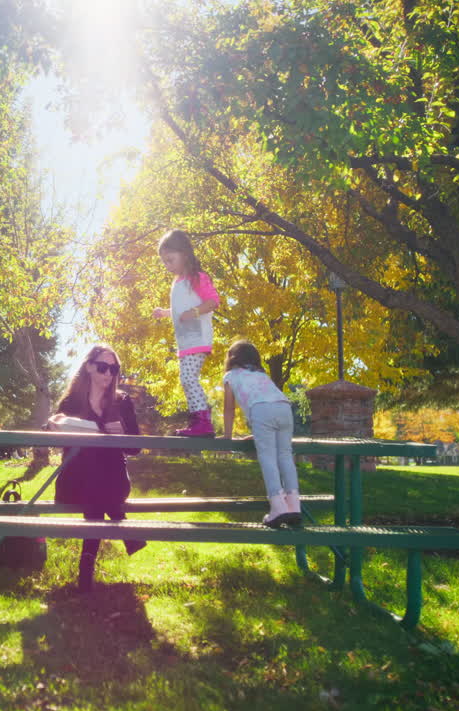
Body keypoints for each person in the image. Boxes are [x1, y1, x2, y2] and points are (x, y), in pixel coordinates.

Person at [48, 344, 147, 592]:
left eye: (114, 369)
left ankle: (86, 570)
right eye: (103, 367)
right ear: (89, 367)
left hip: (112, 481)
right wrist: (53, 424)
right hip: (76, 481)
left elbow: (135, 448)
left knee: (98, 488)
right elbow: (50, 430)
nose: (108, 374)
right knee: (94, 479)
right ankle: (124, 527)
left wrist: (124, 434)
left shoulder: (122, 402)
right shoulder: (72, 401)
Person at [221, 339, 302, 527]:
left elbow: (229, 410)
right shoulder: (262, 374)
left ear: (232, 359)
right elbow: (269, 401)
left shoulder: (230, 376)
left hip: (261, 411)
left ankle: (278, 507)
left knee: (267, 458)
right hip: (284, 407)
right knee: (284, 456)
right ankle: (293, 506)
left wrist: (227, 437)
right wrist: (259, 434)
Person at [152, 229, 220, 437]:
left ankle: (203, 422)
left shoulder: (197, 278)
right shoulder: (178, 283)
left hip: (197, 338)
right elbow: (182, 309)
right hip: (185, 342)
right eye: (164, 262)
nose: (168, 266)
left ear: (185, 254)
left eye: (171, 260)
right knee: (186, 379)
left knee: (189, 378)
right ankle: (197, 420)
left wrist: (196, 312)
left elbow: (213, 301)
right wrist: (165, 313)